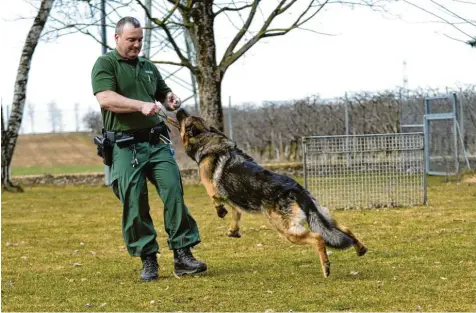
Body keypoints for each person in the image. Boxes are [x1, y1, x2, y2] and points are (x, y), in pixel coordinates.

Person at [90, 16, 206, 281]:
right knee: (134, 201)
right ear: (117, 38)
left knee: (174, 192)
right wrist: (140, 105)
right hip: (124, 146)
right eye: (131, 40)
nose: (136, 45)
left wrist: (170, 99)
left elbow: (162, 92)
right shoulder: (105, 64)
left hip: (156, 142)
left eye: (140, 40)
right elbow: (105, 98)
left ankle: (183, 255)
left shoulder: (147, 66)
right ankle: (148, 259)